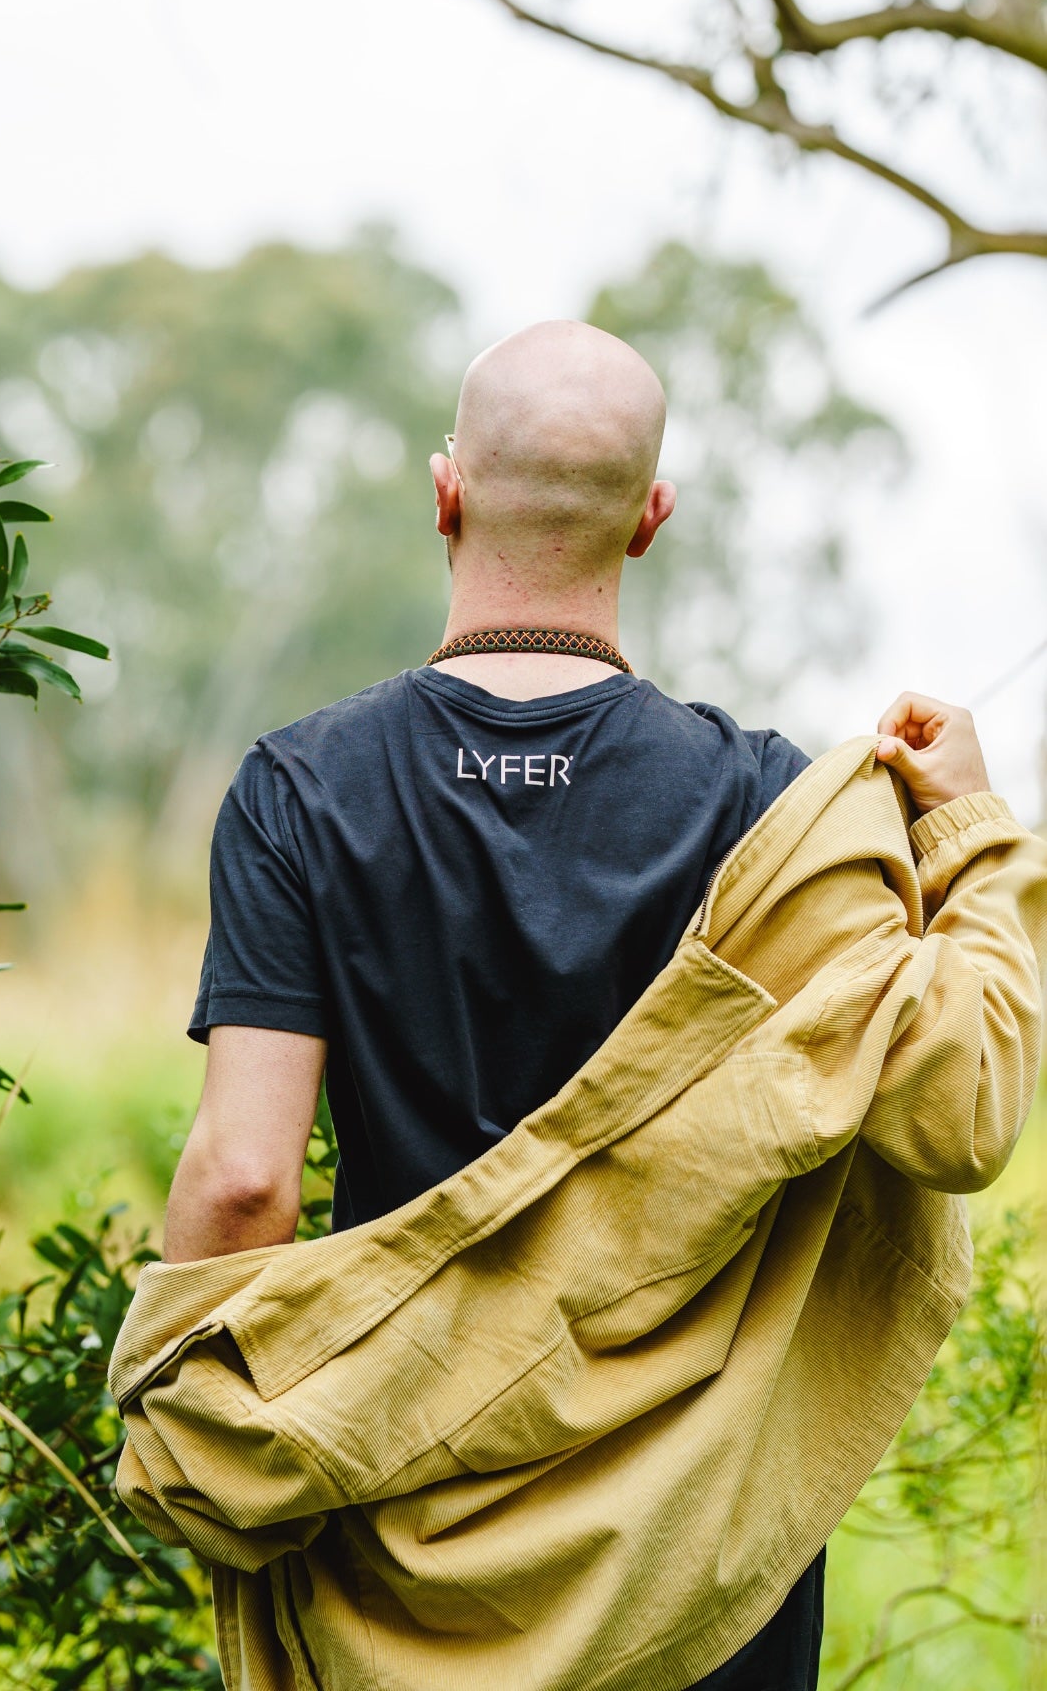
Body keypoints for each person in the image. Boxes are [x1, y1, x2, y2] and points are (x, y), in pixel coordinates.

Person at [163, 318, 998, 1690]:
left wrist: (182, 1424)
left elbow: (245, 1181)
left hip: (392, 1526)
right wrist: (963, 824)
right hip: (697, 1557)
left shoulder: (297, 789)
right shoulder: (771, 805)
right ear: (649, 520)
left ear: (443, 495)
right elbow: (948, 1104)